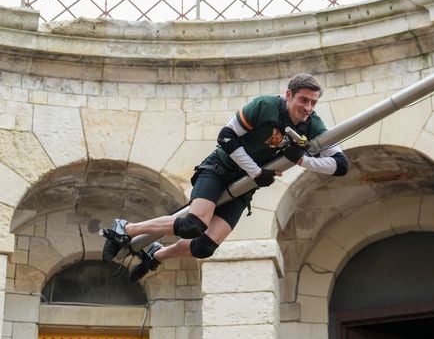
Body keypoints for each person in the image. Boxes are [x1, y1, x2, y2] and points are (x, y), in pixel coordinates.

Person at [101, 73, 349, 282]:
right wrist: (255, 171)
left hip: (245, 188)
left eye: (313, 103)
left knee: (204, 247)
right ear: (288, 95)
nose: (307, 108)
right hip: (219, 170)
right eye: (303, 100)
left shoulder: (312, 124)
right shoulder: (264, 106)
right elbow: (226, 136)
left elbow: (340, 165)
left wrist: (303, 160)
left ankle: (155, 255)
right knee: (193, 225)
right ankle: (127, 228)